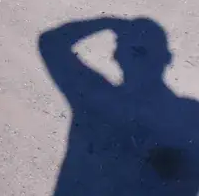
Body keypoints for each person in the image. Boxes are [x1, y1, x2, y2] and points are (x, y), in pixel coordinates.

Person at [39, 17, 199, 196]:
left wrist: (107, 23)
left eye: (140, 52)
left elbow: (51, 43)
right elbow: (50, 43)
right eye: (135, 51)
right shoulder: (189, 116)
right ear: (167, 58)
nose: (140, 63)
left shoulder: (95, 96)